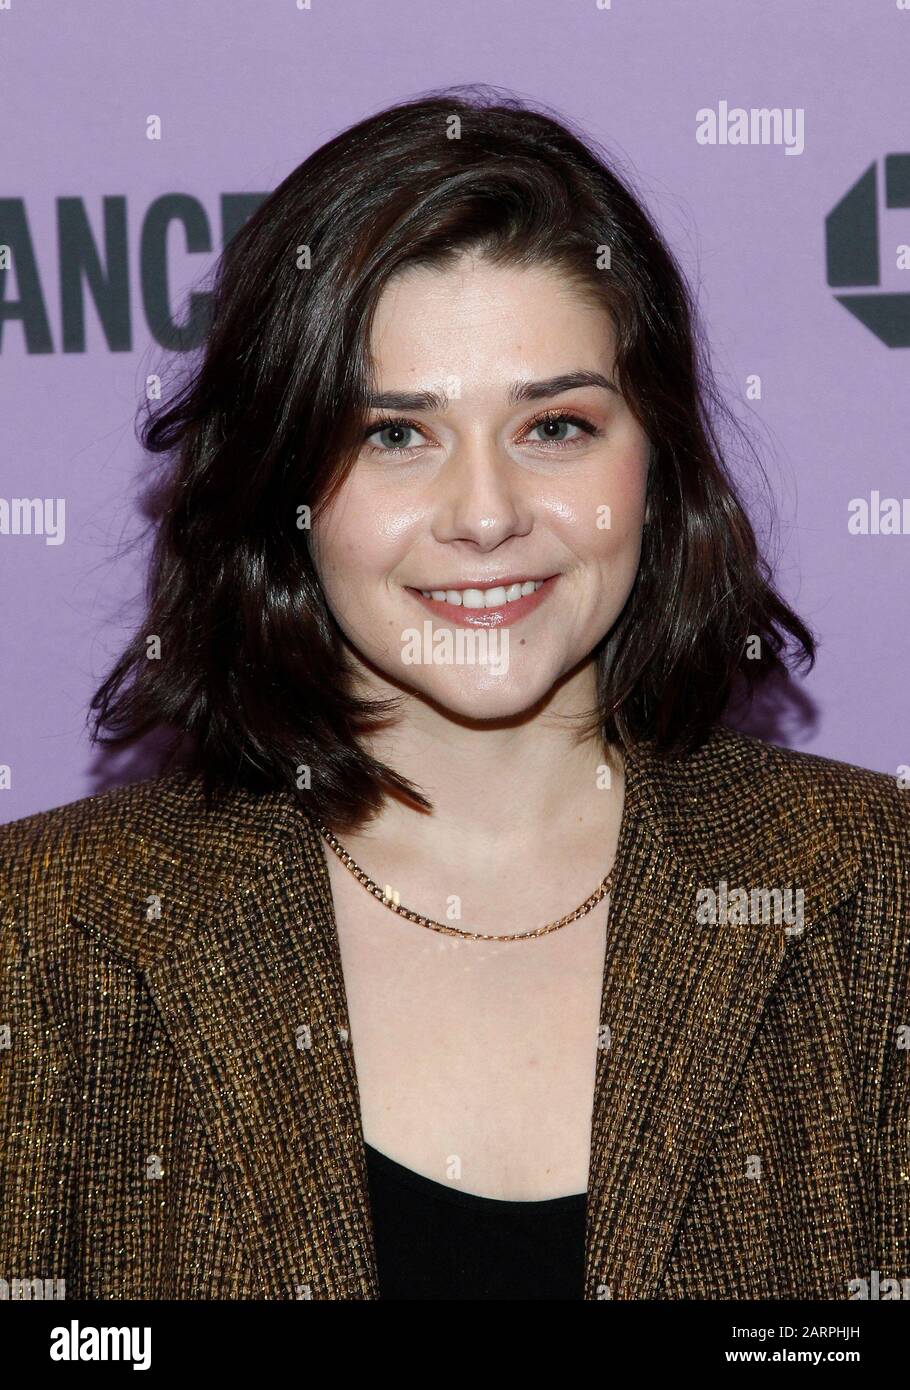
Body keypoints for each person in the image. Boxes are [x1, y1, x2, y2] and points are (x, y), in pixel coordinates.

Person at [1, 86, 907, 1302]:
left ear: (657, 460)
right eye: (394, 436)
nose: (486, 514)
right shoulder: (43, 933)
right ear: (283, 485)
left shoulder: (875, 899)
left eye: (556, 426)